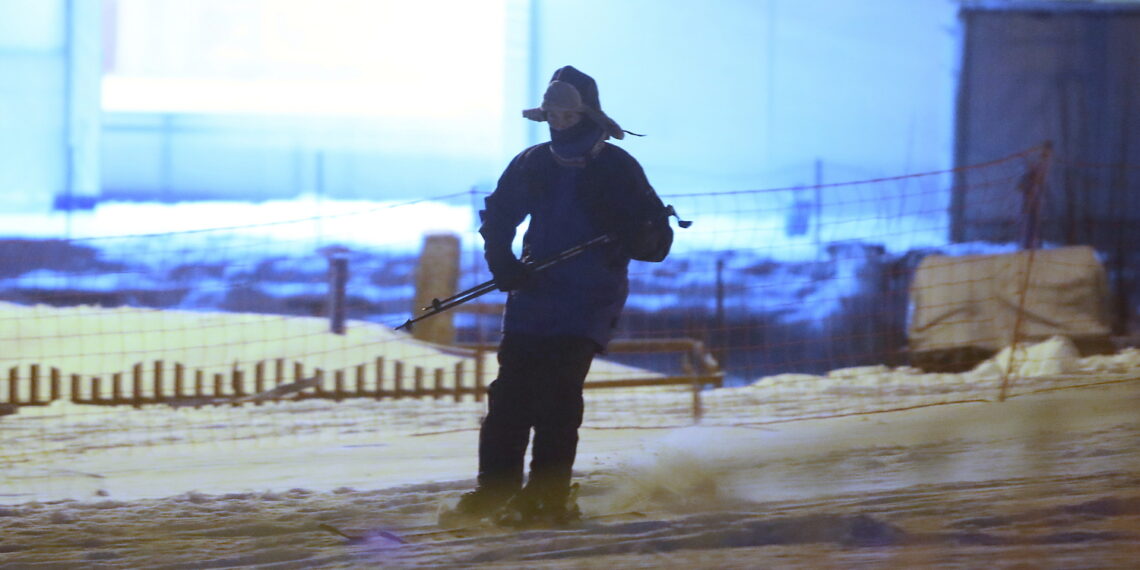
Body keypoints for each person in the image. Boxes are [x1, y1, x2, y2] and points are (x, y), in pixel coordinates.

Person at [452, 65, 674, 526]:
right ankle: (496, 491)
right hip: (533, 295)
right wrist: (503, 263)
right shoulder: (532, 163)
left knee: (557, 396)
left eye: (567, 115)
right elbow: (499, 218)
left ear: (587, 114)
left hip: (590, 300)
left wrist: (637, 235)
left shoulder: (618, 168)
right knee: (510, 396)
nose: (558, 123)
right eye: (552, 114)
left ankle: (547, 499)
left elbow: (657, 243)